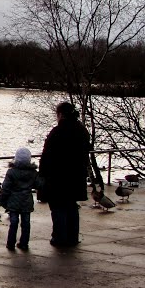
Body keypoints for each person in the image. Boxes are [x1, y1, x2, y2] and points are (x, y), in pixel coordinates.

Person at [37, 101, 91, 248]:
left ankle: (59, 237)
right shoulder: (81, 130)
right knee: (71, 206)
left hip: (58, 177)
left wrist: (42, 175)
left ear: (60, 114)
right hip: (76, 176)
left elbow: (47, 156)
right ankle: (72, 237)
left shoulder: (58, 132)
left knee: (58, 207)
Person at [0, 146, 38, 250]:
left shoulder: (11, 172)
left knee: (14, 222)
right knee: (26, 223)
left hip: (13, 201)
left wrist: (2, 200)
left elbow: (5, 188)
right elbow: (39, 184)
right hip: (26, 201)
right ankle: (24, 243)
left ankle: (10, 243)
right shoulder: (33, 173)